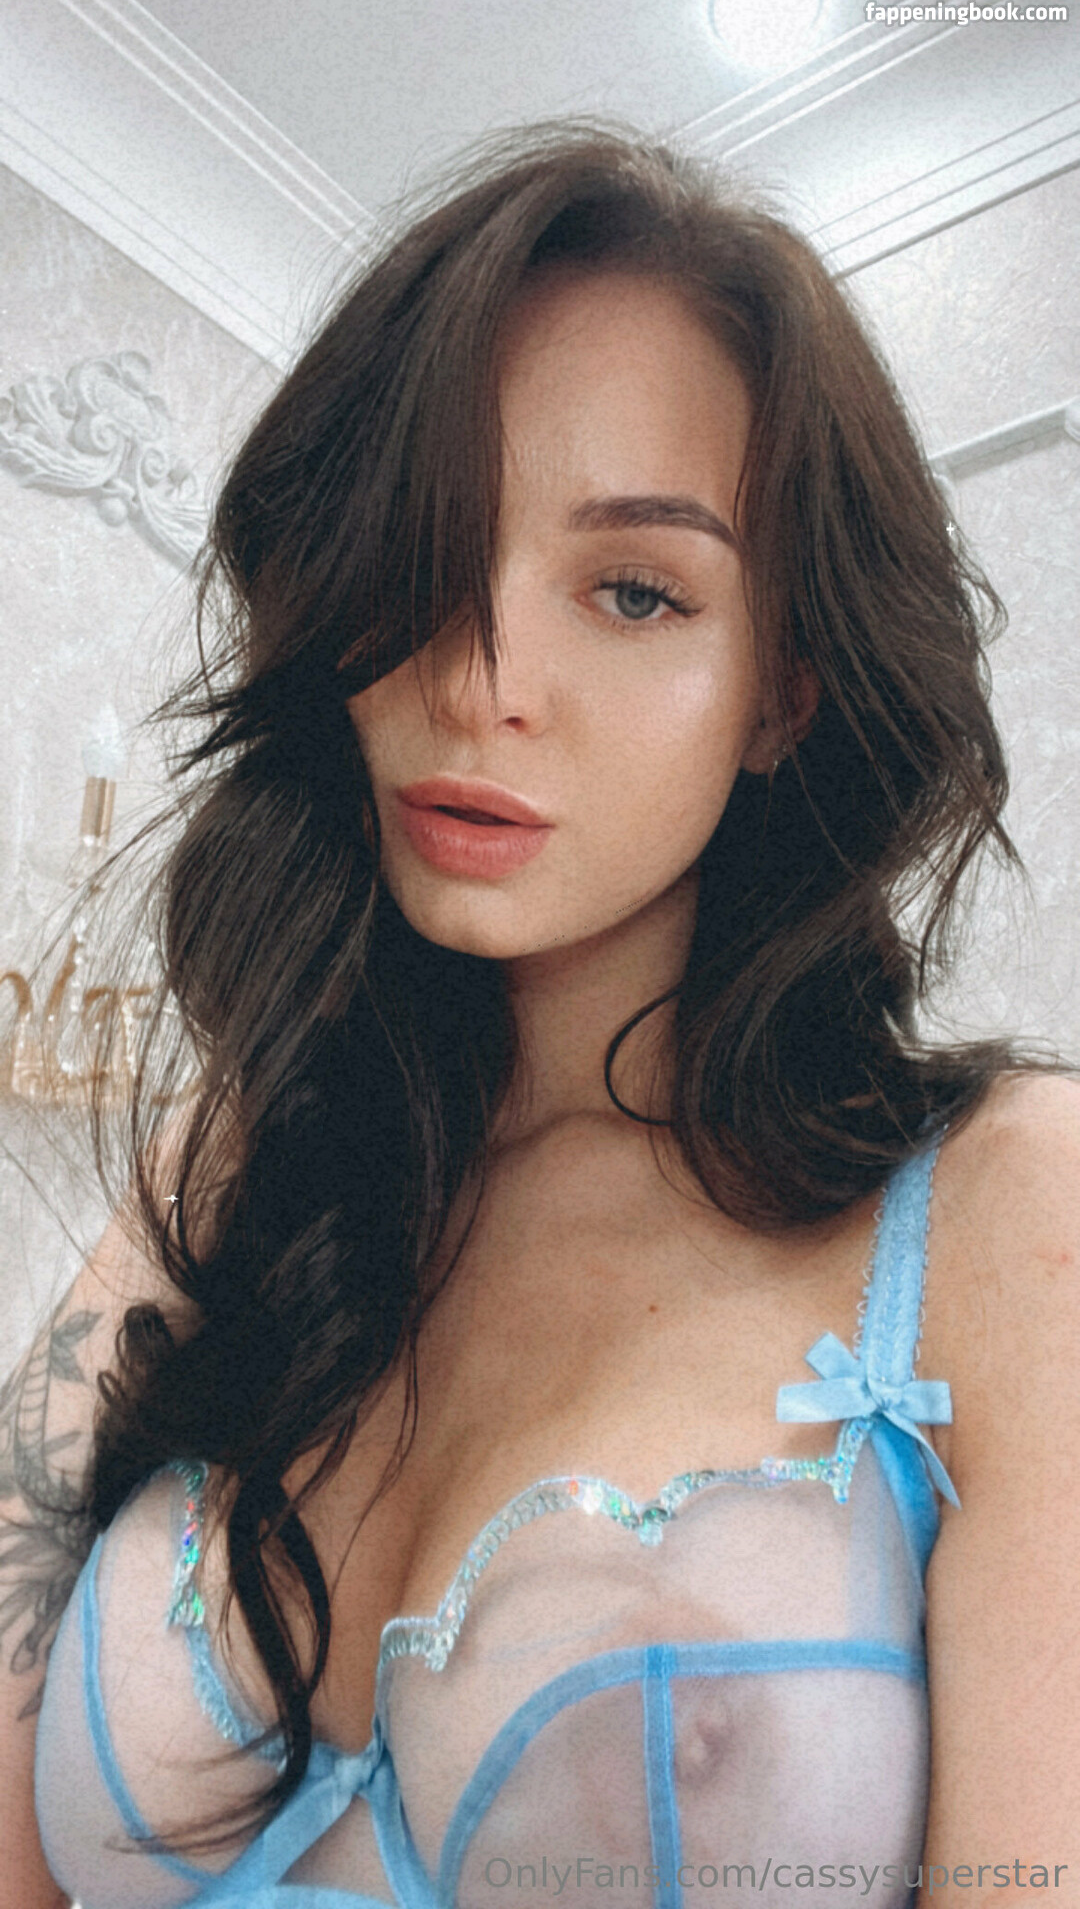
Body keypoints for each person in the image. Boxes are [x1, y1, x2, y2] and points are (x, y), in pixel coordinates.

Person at [3, 123, 1078, 1909]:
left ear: (785, 691)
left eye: (635, 591)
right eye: (423, 553)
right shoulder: (230, 1164)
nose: (478, 678)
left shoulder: (1008, 1207)